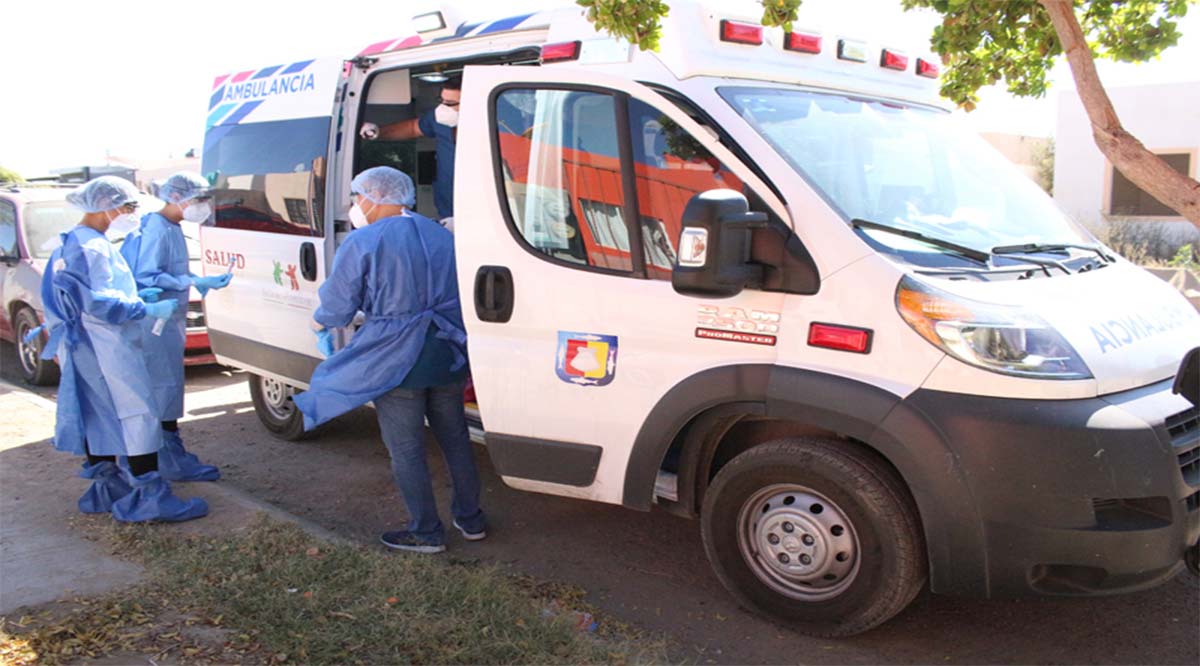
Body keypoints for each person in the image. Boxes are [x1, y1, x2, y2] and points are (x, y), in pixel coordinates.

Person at [293, 166, 484, 553]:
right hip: (447, 352)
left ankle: (426, 532)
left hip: (397, 358)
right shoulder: (440, 234)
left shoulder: (365, 241)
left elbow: (339, 304)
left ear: (372, 196)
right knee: (455, 439)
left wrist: (318, 324)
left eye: (355, 196)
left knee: (408, 449)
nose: (353, 204)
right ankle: (471, 519)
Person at [36, 176, 207, 522]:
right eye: (128, 207)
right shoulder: (92, 247)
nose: (131, 214)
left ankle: (107, 487)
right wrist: (142, 308)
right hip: (106, 343)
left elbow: (70, 296)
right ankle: (149, 497)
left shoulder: (71, 242)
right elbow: (98, 301)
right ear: (106, 206)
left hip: (85, 344)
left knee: (96, 414)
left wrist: (134, 297)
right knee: (139, 413)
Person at [121, 172, 232, 482]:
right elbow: (148, 276)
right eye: (198, 200)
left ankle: (169, 453)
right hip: (156, 322)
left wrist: (196, 281)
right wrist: (192, 281)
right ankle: (166, 457)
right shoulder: (158, 229)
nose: (203, 206)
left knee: (168, 386)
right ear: (175, 198)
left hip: (168, 322)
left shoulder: (170, 227)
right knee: (163, 388)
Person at [359, 77, 460, 228]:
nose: (443, 108)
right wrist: (378, 132)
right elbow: (413, 128)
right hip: (448, 211)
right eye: (441, 100)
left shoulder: (496, 124)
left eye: (451, 104)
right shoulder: (438, 120)